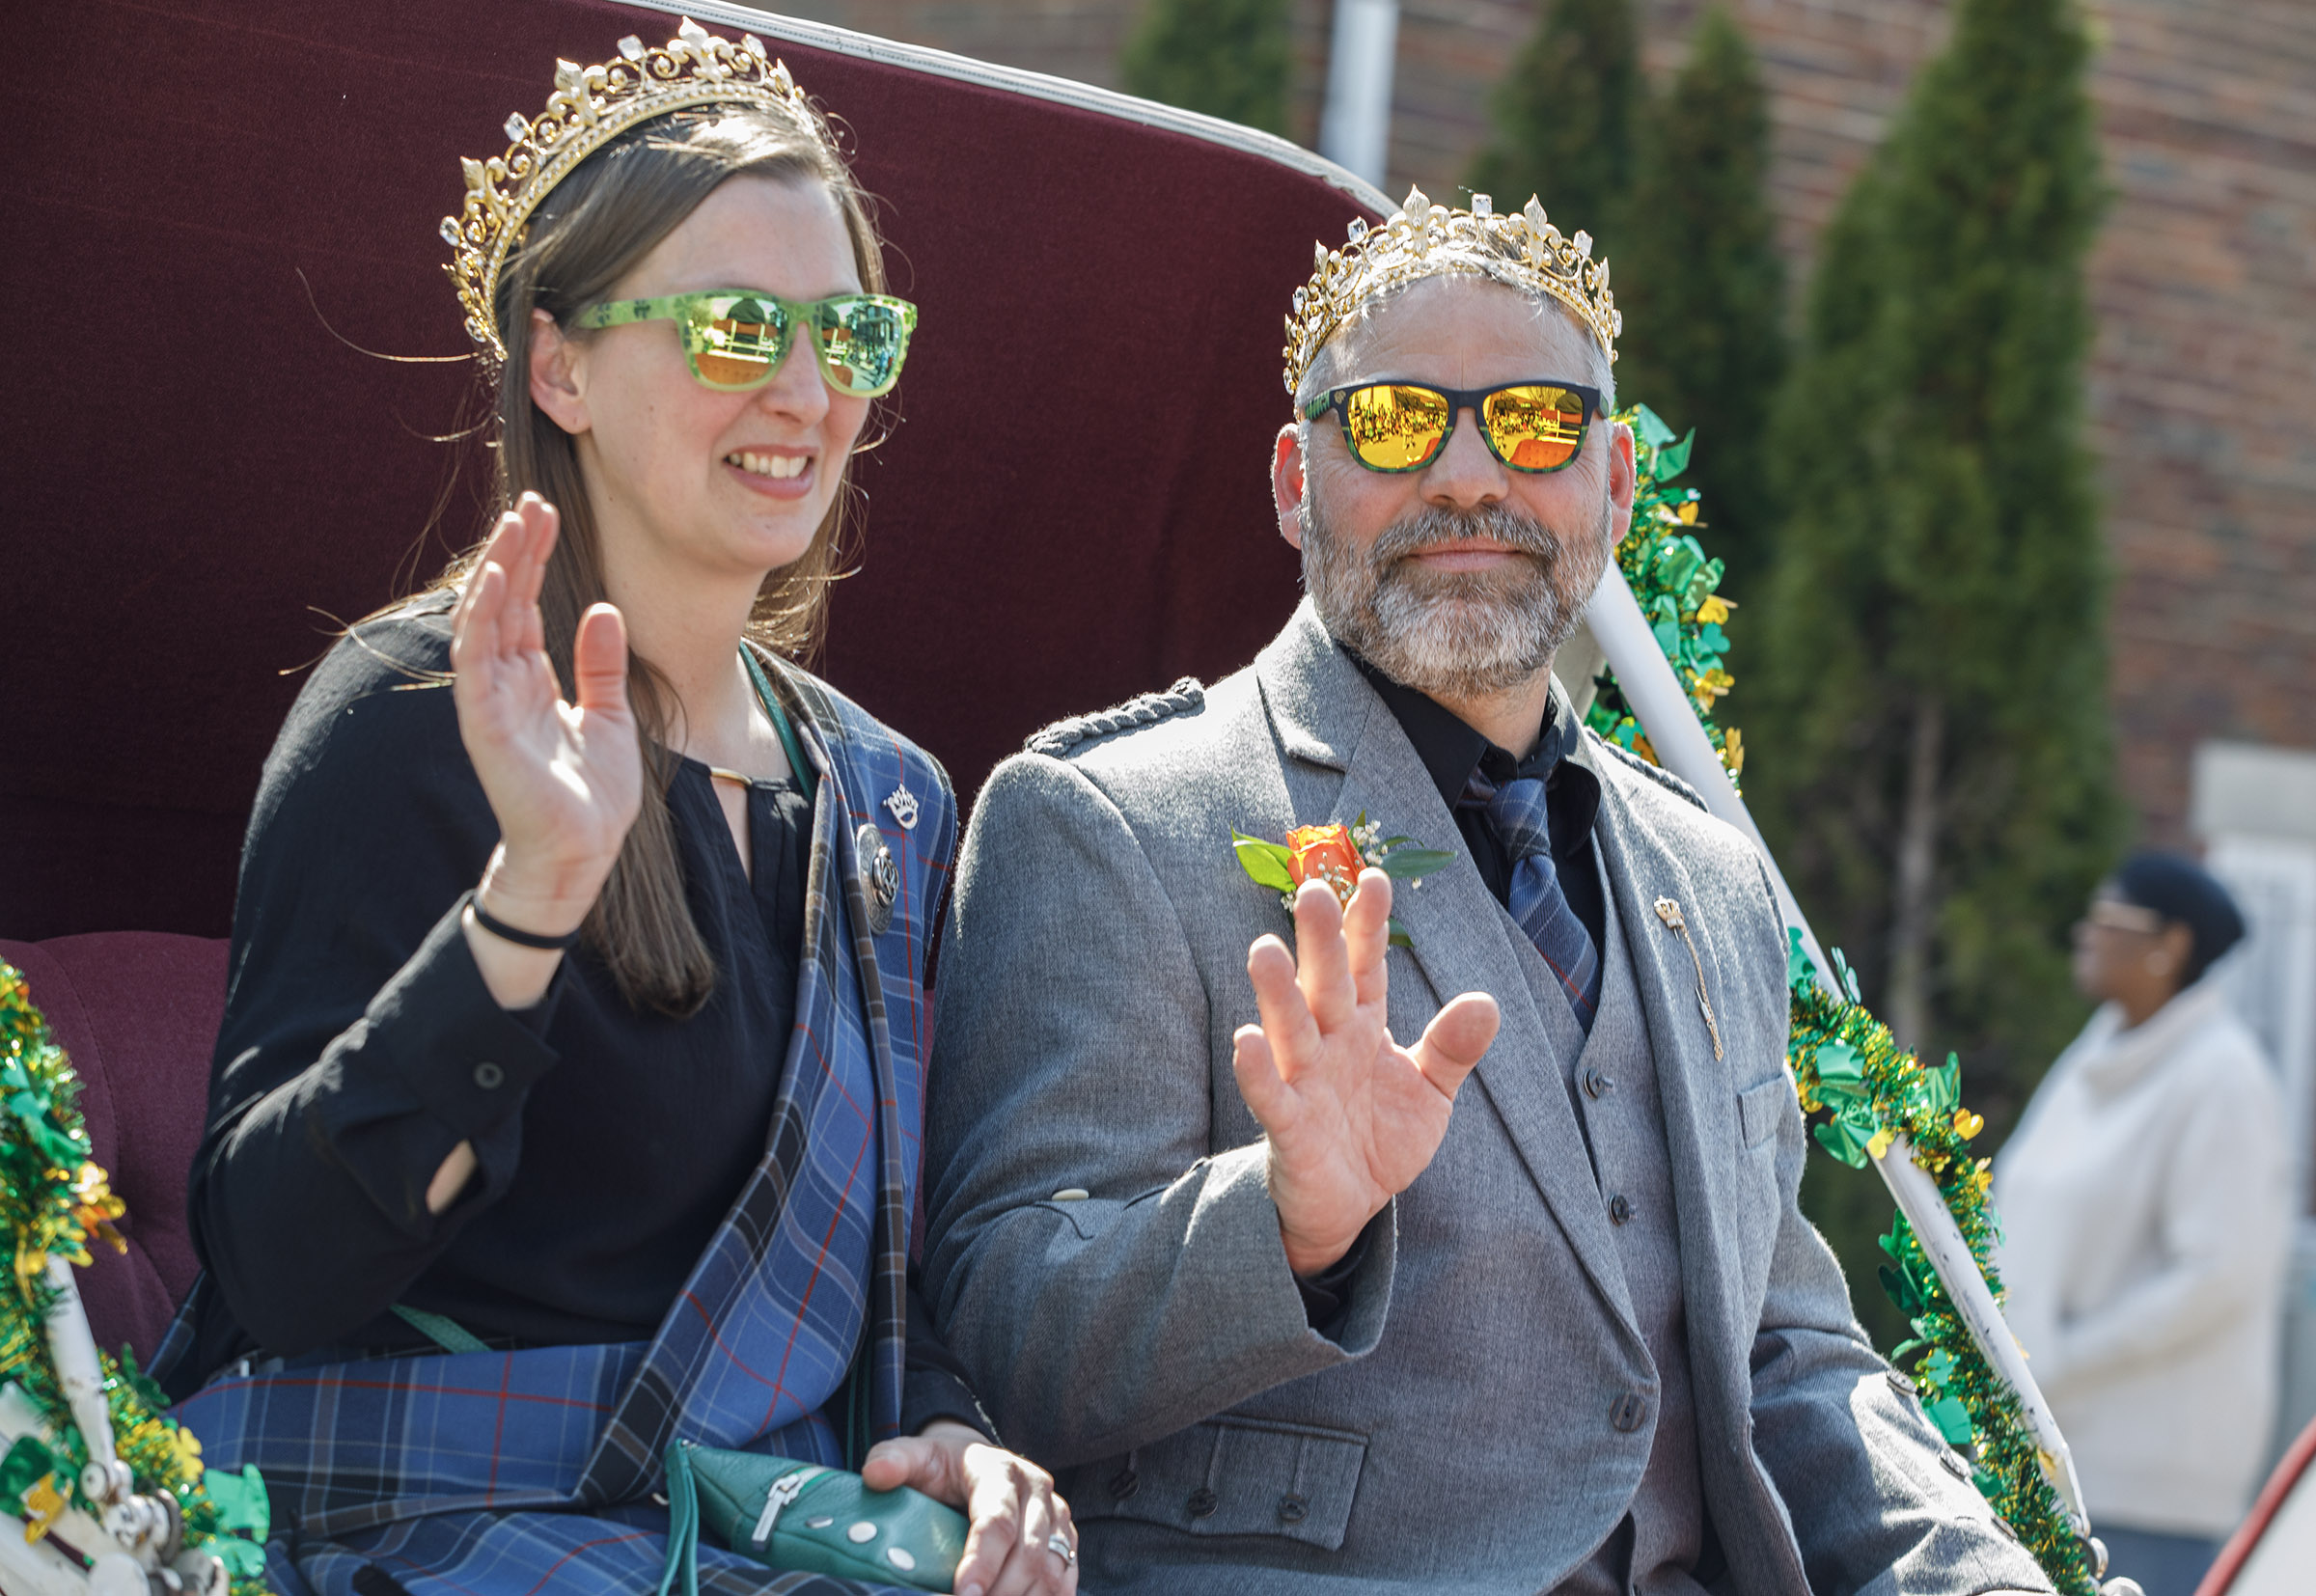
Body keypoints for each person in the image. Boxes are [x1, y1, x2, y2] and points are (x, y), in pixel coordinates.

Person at [922, 188, 2054, 1594]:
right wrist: (1285, 1219)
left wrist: (1988, 1578)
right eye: (1398, 421)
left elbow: (1784, 1354)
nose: (1471, 476)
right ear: (1293, 478)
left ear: (1616, 481)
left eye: (1535, 423)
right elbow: (994, 1328)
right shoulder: (1111, 823)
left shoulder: (1713, 876)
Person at [156, 23, 1076, 1596]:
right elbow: (280, 1267)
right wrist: (534, 897)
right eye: (732, 326)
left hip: (752, 1545)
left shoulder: (892, 799)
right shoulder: (410, 711)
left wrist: (954, 1438)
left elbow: (890, 1315)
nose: (803, 389)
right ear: (560, 362)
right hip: (403, 1537)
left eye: (846, 334)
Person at [1996, 854, 2291, 1596]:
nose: (2083, 933)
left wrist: (2060, 1361)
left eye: (2108, 918)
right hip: (2042, 1460)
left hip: (2141, 1491)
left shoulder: (2223, 1078)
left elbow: (2218, 1276)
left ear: (2172, 945)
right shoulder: (2097, 1053)